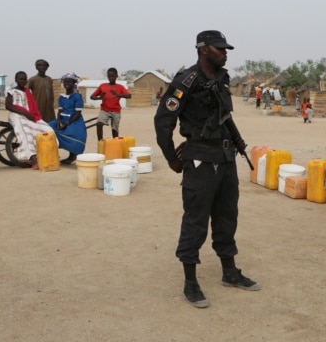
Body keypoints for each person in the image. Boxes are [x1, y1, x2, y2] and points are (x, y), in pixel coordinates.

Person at [154, 30, 260, 308]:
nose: (225, 53)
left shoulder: (222, 79)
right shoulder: (185, 81)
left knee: (227, 217)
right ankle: (190, 281)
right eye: (220, 49)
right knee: (196, 220)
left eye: (226, 49)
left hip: (225, 157)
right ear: (203, 50)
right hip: (200, 159)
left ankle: (230, 272)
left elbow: (224, 118)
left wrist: (235, 143)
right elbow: (163, 121)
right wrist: (171, 157)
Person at [5, 71, 55, 170]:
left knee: (47, 129)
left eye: (24, 79)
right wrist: (24, 113)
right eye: (20, 79)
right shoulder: (11, 90)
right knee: (26, 132)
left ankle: (46, 155)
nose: (23, 81)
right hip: (16, 115)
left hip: (29, 115)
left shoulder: (29, 91)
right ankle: (33, 159)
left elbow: (32, 106)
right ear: (16, 80)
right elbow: (8, 106)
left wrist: (29, 114)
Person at [48, 73, 87, 165]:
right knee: (49, 128)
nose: (67, 83)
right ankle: (53, 154)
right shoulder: (61, 97)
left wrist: (67, 123)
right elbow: (60, 111)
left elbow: (78, 113)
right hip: (63, 119)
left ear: (74, 83)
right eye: (65, 82)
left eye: (69, 81)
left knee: (71, 133)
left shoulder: (77, 96)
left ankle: (72, 155)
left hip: (74, 120)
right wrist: (58, 121)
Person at [90, 68, 132, 141]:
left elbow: (129, 96)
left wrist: (118, 95)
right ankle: (100, 142)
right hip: (105, 110)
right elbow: (92, 96)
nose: (111, 78)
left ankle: (115, 143)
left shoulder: (120, 87)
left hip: (116, 111)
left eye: (113, 76)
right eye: (109, 76)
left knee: (114, 129)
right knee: (99, 124)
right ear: (107, 76)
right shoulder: (102, 86)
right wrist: (99, 98)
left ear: (116, 76)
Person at [27, 59, 56, 123]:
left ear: (47, 67)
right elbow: (26, 92)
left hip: (49, 109)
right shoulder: (32, 80)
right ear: (36, 67)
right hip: (37, 107)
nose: (42, 67)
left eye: (44, 65)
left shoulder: (49, 79)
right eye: (40, 65)